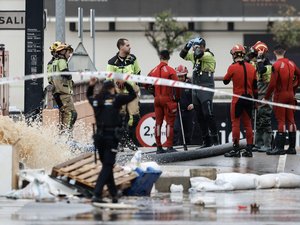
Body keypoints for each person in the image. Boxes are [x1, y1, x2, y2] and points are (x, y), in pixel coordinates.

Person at [87, 78, 136, 203]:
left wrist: (91, 86)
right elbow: (133, 95)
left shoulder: (97, 100)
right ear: (112, 89)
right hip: (110, 138)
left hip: (99, 138)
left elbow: (88, 96)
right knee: (108, 166)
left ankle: (114, 193)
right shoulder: (117, 99)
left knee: (106, 166)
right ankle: (97, 193)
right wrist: (125, 84)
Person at [179, 36, 219, 148]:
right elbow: (182, 55)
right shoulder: (195, 55)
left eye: (196, 46)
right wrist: (187, 46)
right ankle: (206, 141)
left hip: (206, 86)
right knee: (199, 115)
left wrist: (196, 47)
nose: (194, 48)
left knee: (208, 113)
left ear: (202, 47)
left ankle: (215, 139)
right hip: (196, 86)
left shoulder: (208, 55)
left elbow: (198, 55)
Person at [264, 45, 300, 155]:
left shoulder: (276, 65)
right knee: (291, 120)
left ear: (274, 52)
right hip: (290, 95)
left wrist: (266, 97)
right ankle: (292, 148)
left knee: (281, 121)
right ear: (284, 51)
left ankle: (279, 148)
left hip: (280, 96)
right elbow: (299, 76)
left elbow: (272, 84)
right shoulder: (292, 63)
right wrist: (294, 88)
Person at [223, 44, 258, 157]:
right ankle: (249, 149)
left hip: (237, 98)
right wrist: (256, 102)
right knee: (248, 124)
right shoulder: (252, 67)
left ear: (234, 55)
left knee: (236, 124)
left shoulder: (232, 67)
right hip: (249, 98)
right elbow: (255, 87)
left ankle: (236, 149)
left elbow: (225, 81)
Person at [106, 38, 141, 151]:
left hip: (132, 93)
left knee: (134, 117)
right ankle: (122, 141)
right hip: (119, 95)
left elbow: (138, 72)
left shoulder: (133, 58)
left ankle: (129, 140)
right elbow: (109, 79)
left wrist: (133, 84)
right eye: (127, 45)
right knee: (120, 118)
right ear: (121, 47)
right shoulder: (112, 62)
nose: (130, 47)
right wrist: (117, 81)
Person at [147, 50, 180, 154]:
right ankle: (169, 147)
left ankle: (159, 147)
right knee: (169, 123)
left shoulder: (153, 70)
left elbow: (146, 83)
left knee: (158, 123)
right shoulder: (171, 70)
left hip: (157, 99)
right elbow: (178, 86)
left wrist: (153, 93)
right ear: (168, 58)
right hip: (168, 99)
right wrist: (177, 98)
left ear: (160, 57)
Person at [249, 41, 273, 153]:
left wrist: (259, 57)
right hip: (258, 98)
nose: (253, 55)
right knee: (258, 121)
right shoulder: (258, 64)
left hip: (265, 98)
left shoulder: (268, 66)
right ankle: (258, 144)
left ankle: (267, 145)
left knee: (265, 121)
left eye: (255, 53)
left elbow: (261, 70)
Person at [51, 42, 77, 133]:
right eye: (68, 52)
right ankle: (66, 136)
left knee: (66, 115)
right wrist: (70, 76)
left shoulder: (54, 61)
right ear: (63, 51)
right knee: (71, 114)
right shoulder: (62, 61)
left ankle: (64, 134)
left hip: (59, 92)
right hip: (64, 92)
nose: (69, 55)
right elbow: (64, 72)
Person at [173, 65, 194, 146]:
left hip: (188, 112)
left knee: (188, 132)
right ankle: (174, 147)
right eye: (179, 77)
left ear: (185, 75)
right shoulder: (173, 84)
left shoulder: (191, 84)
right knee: (175, 129)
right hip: (177, 111)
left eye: (182, 76)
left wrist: (193, 104)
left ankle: (188, 147)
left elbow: (196, 95)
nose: (180, 78)